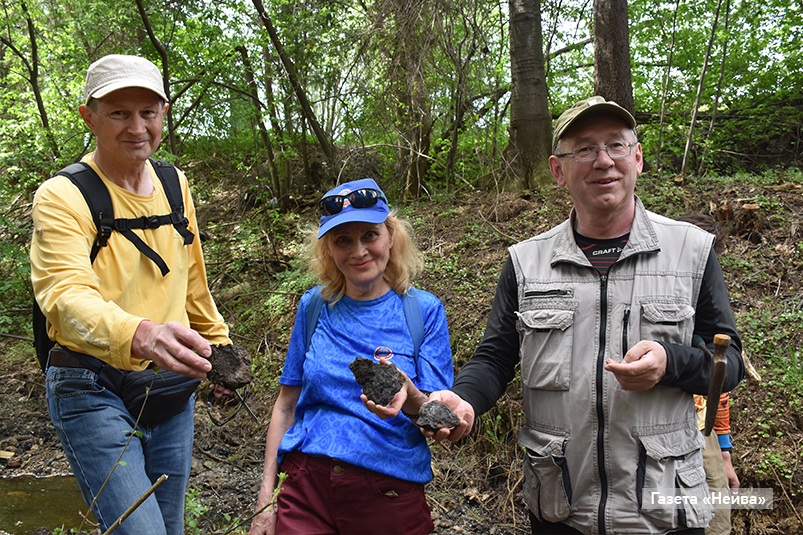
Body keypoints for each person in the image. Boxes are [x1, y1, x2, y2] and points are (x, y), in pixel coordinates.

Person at [426, 96, 745, 535]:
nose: (603, 160)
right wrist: (465, 398)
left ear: (637, 158)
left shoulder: (691, 251)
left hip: (663, 508)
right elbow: (495, 357)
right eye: (585, 149)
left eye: (616, 145)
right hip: (561, 505)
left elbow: (729, 364)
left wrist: (671, 362)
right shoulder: (526, 262)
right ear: (558, 170)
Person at [30, 54, 231, 534]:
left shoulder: (174, 184)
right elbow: (64, 295)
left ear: (164, 113)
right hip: (89, 383)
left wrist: (218, 346)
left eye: (148, 112)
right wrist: (142, 334)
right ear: (90, 117)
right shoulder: (62, 196)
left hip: (167, 384)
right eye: (119, 113)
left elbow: (192, 279)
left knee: (170, 526)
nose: (137, 127)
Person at [248, 178, 453, 535]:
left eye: (370, 235)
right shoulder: (314, 306)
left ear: (391, 236)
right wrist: (266, 499)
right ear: (328, 248)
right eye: (343, 240)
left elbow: (439, 419)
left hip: (388, 491)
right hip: (305, 488)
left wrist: (410, 394)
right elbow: (286, 405)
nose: (358, 251)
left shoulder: (423, 312)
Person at [676, 212, 740, 535]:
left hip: (704, 432)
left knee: (717, 522)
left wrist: (724, 453)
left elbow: (719, 385)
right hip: (660, 424)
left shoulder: (712, 308)